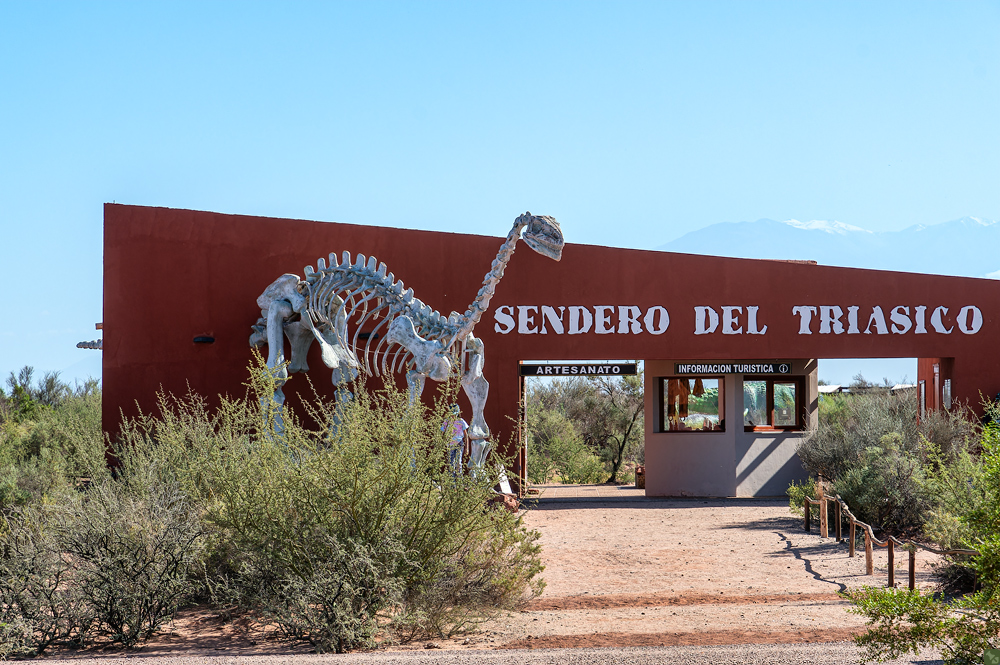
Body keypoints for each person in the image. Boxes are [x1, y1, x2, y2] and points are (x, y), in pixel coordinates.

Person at [442, 404, 469, 476]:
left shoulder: (461, 421)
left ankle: (459, 480)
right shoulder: (446, 422)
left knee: (458, 462)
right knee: (451, 463)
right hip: (450, 444)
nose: (453, 416)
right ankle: (451, 482)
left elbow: (466, 435)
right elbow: (442, 433)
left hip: (459, 443)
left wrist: (467, 448)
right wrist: (443, 444)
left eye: (455, 414)